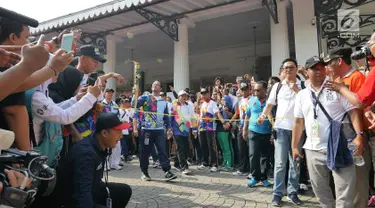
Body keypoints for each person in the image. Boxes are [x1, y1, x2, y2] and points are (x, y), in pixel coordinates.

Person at [292, 56, 363, 208]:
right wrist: (294, 147)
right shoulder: (302, 95)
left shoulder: (336, 87)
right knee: (321, 193)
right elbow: (298, 122)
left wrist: (359, 135)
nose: (319, 71)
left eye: (322, 68)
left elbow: (353, 112)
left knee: (345, 194)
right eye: (315, 68)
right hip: (313, 149)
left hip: (340, 146)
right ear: (307, 71)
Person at [55, 113, 132, 208]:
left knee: (124, 191)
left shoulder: (100, 146)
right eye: (118, 132)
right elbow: (81, 193)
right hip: (72, 199)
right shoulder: (86, 154)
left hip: (92, 188)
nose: (121, 137)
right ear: (104, 133)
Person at [259, 58, 304, 206]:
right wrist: (262, 116)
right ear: (283, 70)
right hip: (281, 129)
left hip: (297, 130)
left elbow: (308, 102)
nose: (288, 70)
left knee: (295, 163)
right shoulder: (277, 86)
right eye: (286, 68)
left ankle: (293, 192)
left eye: (291, 67)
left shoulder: (303, 86)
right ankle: (277, 194)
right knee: (279, 163)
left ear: (296, 69)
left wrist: (297, 90)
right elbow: (270, 104)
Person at [133, 80, 177, 181]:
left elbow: (166, 117)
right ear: (151, 87)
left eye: (157, 85)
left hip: (160, 130)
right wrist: (135, 127)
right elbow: (135, 108)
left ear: (160, 88)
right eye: (153, 84)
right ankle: (144, 172)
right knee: (145, 152)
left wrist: (169, 128)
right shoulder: (144, 98)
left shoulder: (163, 102)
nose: (155, 86)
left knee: (162, 150)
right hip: (146, 130)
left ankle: (167, 171)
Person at [244, 81, 272, 187]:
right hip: (253, 131)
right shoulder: (251, 100)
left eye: (258, 90)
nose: (256, 92)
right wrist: (244, 129)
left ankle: (264, 177)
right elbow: (247, 115)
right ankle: (255, 177)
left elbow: (273, 117)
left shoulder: (270, 101)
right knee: (253, 154)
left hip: (266, 132)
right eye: (255, 90)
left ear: (265, 90)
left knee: (265, 156)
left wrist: (273, 132)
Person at [198, 87, 229, 172]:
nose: (203, 95)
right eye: (202, 94)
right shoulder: (202, 104)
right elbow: (200, 116)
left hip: (210, 127)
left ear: (208, 94)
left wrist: (223, 122)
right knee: (203, 145)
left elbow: (217, 113)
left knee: (211, 145)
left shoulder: (212, 103)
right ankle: (205, 162)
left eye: (205, 94)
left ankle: (214, 164)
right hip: (202, 127)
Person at [170, 90, 197, 174]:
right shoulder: (174, 106)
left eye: (185, 96)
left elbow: (192, 117)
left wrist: (194, 129)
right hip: (177, 130)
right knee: (181, 148)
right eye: (182, 96)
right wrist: (170, 129)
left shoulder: (189, 106)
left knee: (184, 148)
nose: (184, 97)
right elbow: (171, 119)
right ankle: (184, 167)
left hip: (186, 130)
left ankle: (177, 163)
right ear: (178, 97)